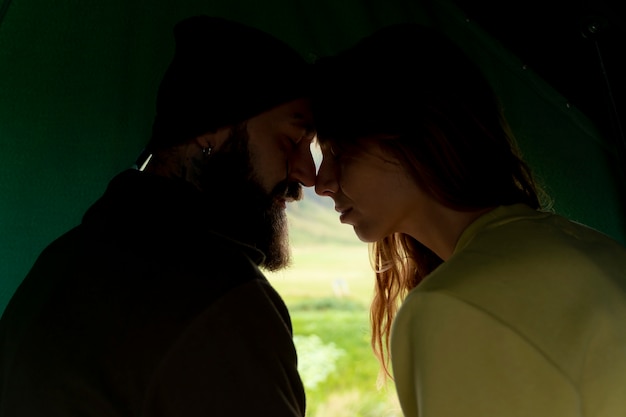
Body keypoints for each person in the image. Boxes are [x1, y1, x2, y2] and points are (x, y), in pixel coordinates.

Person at [0, 15, 316, 416]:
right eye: (292, 141)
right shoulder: (222, 302)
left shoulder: (58, 262)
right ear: (209, 131)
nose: (308, 173)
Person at [312, 22, 626, 417]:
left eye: (340, 151)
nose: (322, 182)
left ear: (415, 138)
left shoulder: (451, 307)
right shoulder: (594, 248)